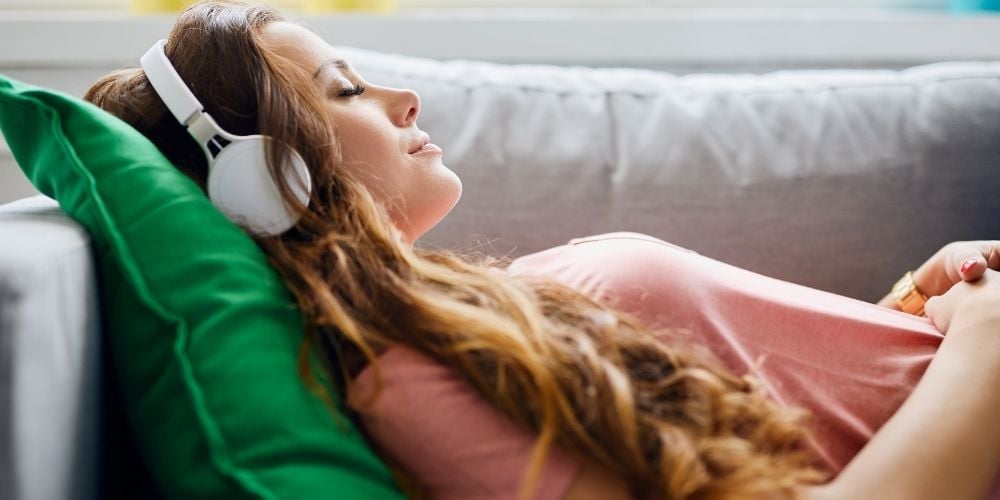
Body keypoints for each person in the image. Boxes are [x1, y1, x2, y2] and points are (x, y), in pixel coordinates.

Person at [83, 1, 1000, 498]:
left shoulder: (469, 320)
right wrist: (984, 344)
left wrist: (909, 317)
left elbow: (779, 425)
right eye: (346, 89)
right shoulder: (415, 385)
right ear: (266, 178)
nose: (405, 96)